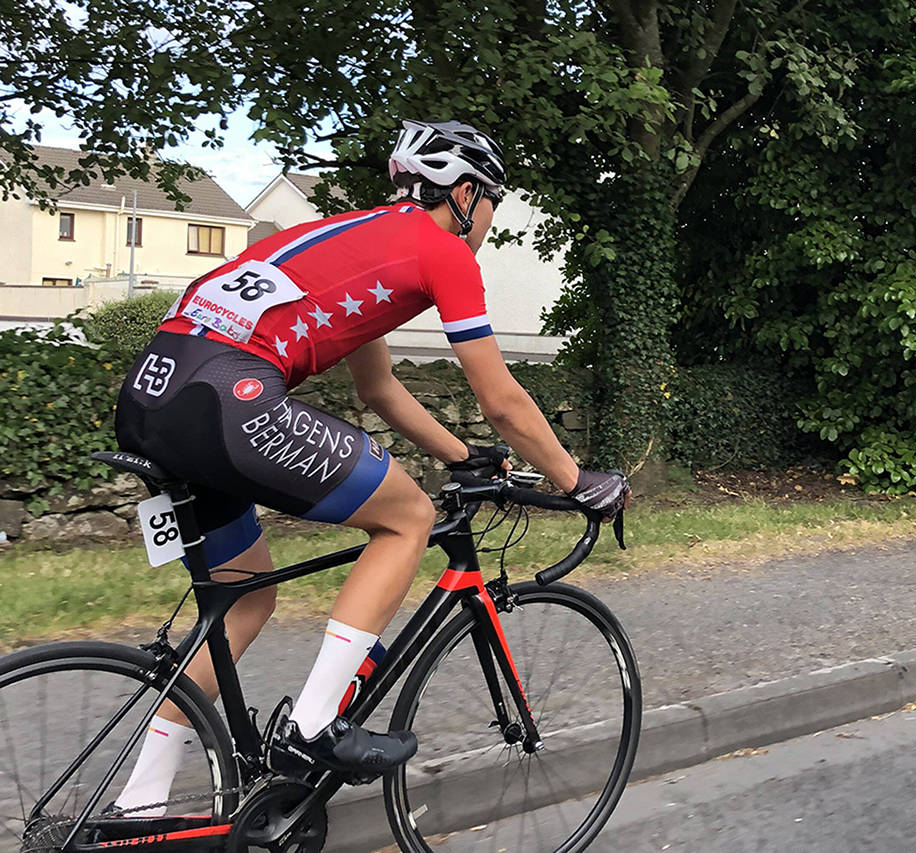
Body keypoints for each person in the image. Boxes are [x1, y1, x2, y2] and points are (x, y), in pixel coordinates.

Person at [110, 120, 630, 813]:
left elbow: (376, 389)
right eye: (494, 203)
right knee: (409, 517)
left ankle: (135, 807)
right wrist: (577, 480)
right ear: (468, 193)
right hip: (225, 399)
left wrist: (460, 454)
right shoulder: (442, 252)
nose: (489, 223)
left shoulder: (359, 239)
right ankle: (316, 724)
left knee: (245, 599)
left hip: (153, 395)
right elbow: (501, 398)